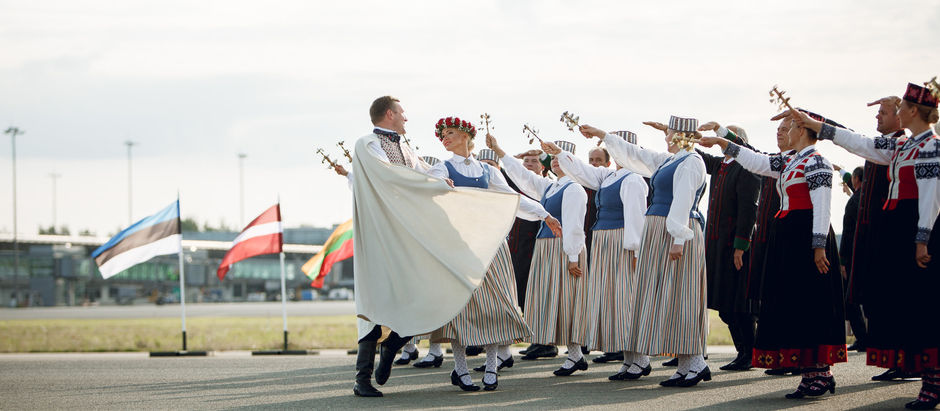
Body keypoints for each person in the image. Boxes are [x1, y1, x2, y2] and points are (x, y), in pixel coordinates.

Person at [337, 96, 520, 397]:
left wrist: (450, 180)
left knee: (424, 291)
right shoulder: (366, 144)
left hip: (410, 230)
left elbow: (426, 173)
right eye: (402, 113)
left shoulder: (406, 148)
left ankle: (393, 345)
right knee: (377, 297)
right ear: (389, 114)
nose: (406, 118)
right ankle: (362, 378)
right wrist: (434, 183)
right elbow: (389, 175)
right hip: (382, 232)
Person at [797, 83, 940, 410]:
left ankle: (933, 382)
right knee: (909, 306)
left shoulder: (931, 147)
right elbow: (858, 143)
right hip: (900, 230)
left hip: (920, 229)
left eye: (900, 106)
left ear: (913, 112)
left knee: (925, 307)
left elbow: (932, 199)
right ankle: (926, 377)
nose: (897, 110)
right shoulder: (902, 146)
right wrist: (818, 125)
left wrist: (922, 239)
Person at [698, 109, 847, 399]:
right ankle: (808, 372)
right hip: (788, 235)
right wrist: (723, 143)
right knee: (795, 304)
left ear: (802, 129)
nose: (784, 132)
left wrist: (818, 246)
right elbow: (756, 160)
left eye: (788, 127)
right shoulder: (790, 160)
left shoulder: (817, 161)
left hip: (807, 235)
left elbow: (823, 206)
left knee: (812, 303)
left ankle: (822, 372)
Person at [426, 117, 560, 391]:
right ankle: (460, 368)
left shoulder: (487, 171)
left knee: (494, 305)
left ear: (466, 135)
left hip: (489, 243)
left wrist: (543, 213)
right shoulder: (443, 167)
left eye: (450, 133)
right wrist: (441, 187)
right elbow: (431, 189)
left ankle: (491, 366)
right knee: (462, 307)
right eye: (443, 135)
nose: (445, 138)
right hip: (460, 244)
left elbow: (511, 197)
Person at [579, 116, 709, 387]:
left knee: (680, 294)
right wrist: (603, 133)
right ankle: (686, 364)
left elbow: (684, 200)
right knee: (666, 297)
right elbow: (635, 153)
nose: (665, 136)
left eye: (670, 132)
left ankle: (695, 363)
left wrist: (678, 239)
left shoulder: (691, 161)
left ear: (680, 136)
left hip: (677, 231)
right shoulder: (669, 160)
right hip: (660, 229)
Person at [487, 134, 591, 377]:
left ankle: (575, 354)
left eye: (560, 159)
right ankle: (575, 355)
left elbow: (575, 225)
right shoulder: (553, 186)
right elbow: (525, 178)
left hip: (563, 249)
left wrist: (573, 256)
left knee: (567, 301)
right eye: (553, 159)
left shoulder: (574, 188)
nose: (555, 163)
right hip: (546, 248)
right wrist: (500, 152)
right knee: (553, 301)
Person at [548, 131, 649, 380]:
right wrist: (559, 153)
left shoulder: (634, 178)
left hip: (621, 241)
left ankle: (641, 359)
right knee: (612, 300)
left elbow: (636, 216)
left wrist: (636, 249)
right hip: (605, 241)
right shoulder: (609, 175)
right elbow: (583, 172)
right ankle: (628, 359)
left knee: (626, 299)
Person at [840, 98, 915, 382]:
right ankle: (895, 361)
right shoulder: (879, 146)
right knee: (877, 304)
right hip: (872, 240)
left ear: (901, 117)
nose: (877, 118)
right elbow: (850, 136)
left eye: (883, 113)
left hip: (892, 237)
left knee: (895, 303)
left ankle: (908, 364)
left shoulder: (902, 146)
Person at [692, 122, 761, 371]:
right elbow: (698, 155)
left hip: (736, 246)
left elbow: (748, 209)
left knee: (738, 304)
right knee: (725, 305)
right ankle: (744, 351)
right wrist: (683, 137)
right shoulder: (723, 166)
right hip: (717, 245)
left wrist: (741, 246)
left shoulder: (747, 167)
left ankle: (749, 352)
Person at [836, 166, 870, 356]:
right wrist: (840, 170)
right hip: (863, 255)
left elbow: (848, 234)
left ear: (857, 179)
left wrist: (842, 260)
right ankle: (863, 337)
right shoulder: (865, 197)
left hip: (853, 257)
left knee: (851, 299)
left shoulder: (856, 201)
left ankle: (864, 338)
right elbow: (849, 178)